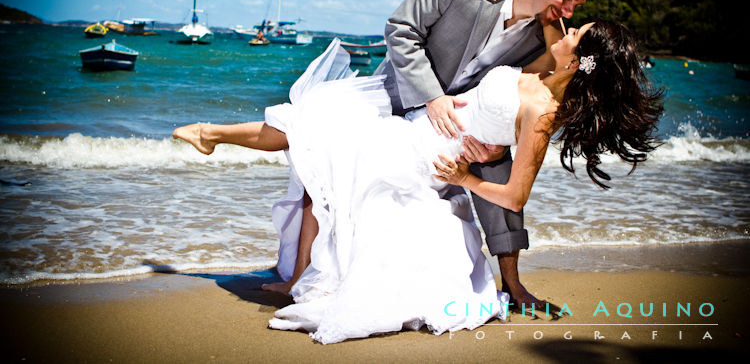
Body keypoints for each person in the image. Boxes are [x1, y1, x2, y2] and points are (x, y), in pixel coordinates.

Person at [173, 19, 662, 343]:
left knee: (319, 131)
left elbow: (514, 194)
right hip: (411, 128)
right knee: (319, 119)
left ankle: (212, 135)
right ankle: (213, 137)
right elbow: (552, 13)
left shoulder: (543, 109)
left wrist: (467, 175)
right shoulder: (544, 71)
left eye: (578, 33)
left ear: (578, 61)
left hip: (421, 157)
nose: (569, 28)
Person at [375, 0, 601, 312]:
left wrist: (500, 137)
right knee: (326, 140)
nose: (570, 9)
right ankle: (304, 270)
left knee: (499, 160)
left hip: (468, 129)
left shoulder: (549, 35)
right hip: (400, 98)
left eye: (578, 4)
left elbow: (543, 100)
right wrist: (432, 97)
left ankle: (513, 286)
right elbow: (401, 29)